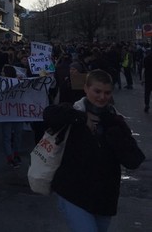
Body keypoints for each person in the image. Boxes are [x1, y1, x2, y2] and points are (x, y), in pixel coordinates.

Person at [43, 69, 145, 232]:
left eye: (107, 92)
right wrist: (81, 118)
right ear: (86, 88)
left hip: (104, 198)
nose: (102, 97)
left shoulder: (115, 120)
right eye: (97, 91)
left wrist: (114, 135)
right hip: (73, 193)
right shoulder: (73, 111)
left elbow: (134, 160)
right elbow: (48, 114)